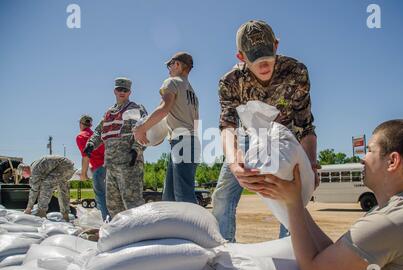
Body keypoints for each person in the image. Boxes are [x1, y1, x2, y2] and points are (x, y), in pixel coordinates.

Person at [261, 119, 403, 270]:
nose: (363, 159)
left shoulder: (389, 221)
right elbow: (333, 253)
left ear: (393, 161)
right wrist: (296, 201)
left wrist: (293, 204)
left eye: (369, 151)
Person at [212, 20, 319, 242]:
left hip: (286, 140)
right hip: (247, 138)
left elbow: (305, 124)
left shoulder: (296, 72)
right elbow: (227, 125)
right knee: (222, 195)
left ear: (276, 45)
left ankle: (291, 249)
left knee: (293, 195)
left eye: (267, 56)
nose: (263, 65)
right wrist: (234, 163)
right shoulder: (230, 81)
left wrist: (309, 163)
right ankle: (224, 251)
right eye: (255, 59)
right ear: (241, 57)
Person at [134, 52, 200, 204]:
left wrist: (142, 128)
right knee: (169, 197)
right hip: (190, 142)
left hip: (182, 142)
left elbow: (164, 108)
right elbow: (192, 122)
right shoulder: (192, 93)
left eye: (169, 65)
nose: (168, 69)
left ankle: (194, 227)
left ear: (177, 64)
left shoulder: (172, 82)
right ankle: (173, 227)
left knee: (184, 196)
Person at [84, 77, 147, 218]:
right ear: (115, 91)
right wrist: (91, 144)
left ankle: (139, 235)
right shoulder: (109, 113)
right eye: (119, 89)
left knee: (132, 204)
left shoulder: (135, 109)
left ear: (130, 92)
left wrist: (136, 150)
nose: (122, 92)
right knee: (113, 205)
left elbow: (144, 131)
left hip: (129, 165)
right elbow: (99, 132)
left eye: (125, 90)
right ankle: (122, 235)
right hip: (111, 165)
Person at [18, 155, 75, 221]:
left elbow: (34, 190)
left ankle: (41, 212)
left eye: (22, 174)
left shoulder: (34, 171)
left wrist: (29, 208)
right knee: (63, 189)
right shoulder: (35, 167)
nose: (24, 177)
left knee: (46, 184)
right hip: (69, 166)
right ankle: (65, 215)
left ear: (25, 170)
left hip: (62, 166)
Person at [76, 114, 110, 221]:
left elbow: (86, 155)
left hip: (99, 168)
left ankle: (106, 221)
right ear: (90, 124)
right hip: (109, 166)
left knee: (100, 195)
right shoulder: (95, 135)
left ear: (81, 124)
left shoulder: (81, 136)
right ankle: (113, 219)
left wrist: (83, 173)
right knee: (110, 195)